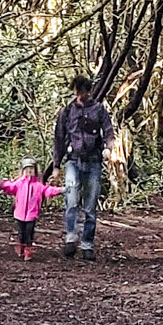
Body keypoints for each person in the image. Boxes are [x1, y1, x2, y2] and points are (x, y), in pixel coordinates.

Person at [52, 74, 114, 260]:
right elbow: (59, 139)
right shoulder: (67, 111)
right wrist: (56, 165)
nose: (80, 95)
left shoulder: (99, 110)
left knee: (90, 205)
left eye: (84, 91)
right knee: (71, 201)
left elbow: (108, 131)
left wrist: (109, 147)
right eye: (78, 91)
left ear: (89, 91)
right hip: (73, 161)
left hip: (94, 161)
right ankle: (71, 237)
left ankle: (87, 244)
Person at [0, 157, 60, 261]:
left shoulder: (38, 185)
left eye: (31, 169)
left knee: (29, 233)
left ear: (35, 171)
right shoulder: (19, 183)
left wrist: (60, 190)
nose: (29, 171)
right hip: (20, 214)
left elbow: (48, 190)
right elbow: (11, 187)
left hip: (32, 214)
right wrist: (3, 184)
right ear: (22, 171)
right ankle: (21, 249)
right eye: (26, 169)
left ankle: (28, 251)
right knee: (21, 233)